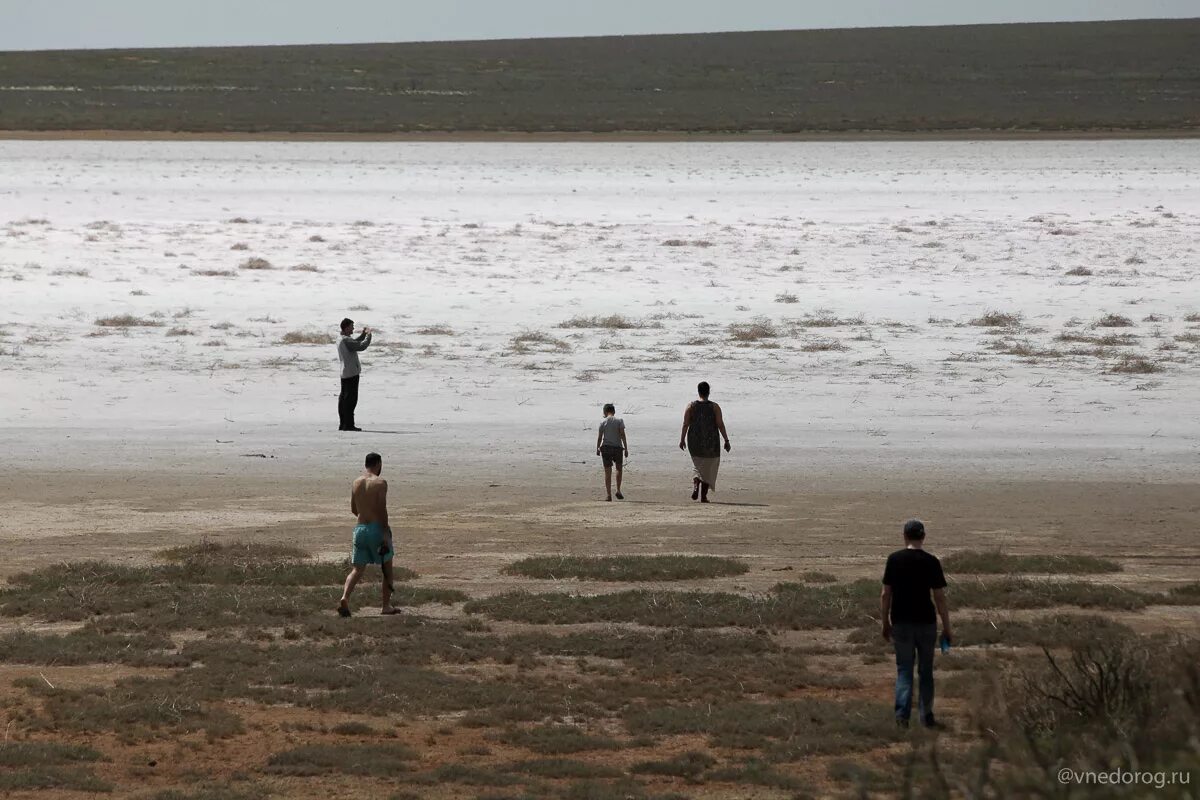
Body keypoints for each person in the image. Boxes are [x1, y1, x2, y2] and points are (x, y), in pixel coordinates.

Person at [880, 519, 953, 729]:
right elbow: (939, 598)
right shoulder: (931, 561)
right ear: (923, 537)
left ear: (904, 536)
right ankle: (926, 715)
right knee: (926, 671)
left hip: (901, 622)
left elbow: (886, 594)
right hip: (926, 623)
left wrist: (885, 623)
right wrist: (947, 627)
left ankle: (902, 717)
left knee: (904, 670)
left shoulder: (894, 559)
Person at [338, 452, 400, 617]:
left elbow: (353, 509)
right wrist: (385, 532)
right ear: (378, 463)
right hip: (376, 529)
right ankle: (386, 606)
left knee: (357, 569)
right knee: (387, 567)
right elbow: (382, 509)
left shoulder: (356, 482)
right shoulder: (380, 483)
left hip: (359, 529)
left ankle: (345, 597)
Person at [678, 381, 730, 503]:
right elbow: (720, 424)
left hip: (694, 440)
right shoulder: (714, 407)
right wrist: (726, 440)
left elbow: (685, 424)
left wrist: (682, 439)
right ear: (709, 392)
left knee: (698, 464)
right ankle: (704, 496)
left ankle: (696, 485)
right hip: (711, 441)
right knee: (709, 466)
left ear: (698, 391)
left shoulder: (690, 406)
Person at [337, 317, 372, 432]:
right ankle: (349, 425)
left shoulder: (342, 338)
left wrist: (362, 334)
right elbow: (361, 346)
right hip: (351, 373)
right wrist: (368, 335)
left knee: (344, 399)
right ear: (346, 328)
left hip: (345, 372)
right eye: (352, 327)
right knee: (350, 400)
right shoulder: (346, 340)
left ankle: (343, 424)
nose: (353, 329)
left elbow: (355, 343)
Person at [595, 403, 629, 501]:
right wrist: (626, 448)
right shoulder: (619, 421)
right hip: (617, 448)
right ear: (614, 411)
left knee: (607, 472)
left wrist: (597, 448)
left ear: (605, 412)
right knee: (619, 469)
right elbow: (622, 435)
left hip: (606, 448)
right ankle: (618, 490)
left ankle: (608, 494)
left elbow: (600, 437)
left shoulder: (603, 422)